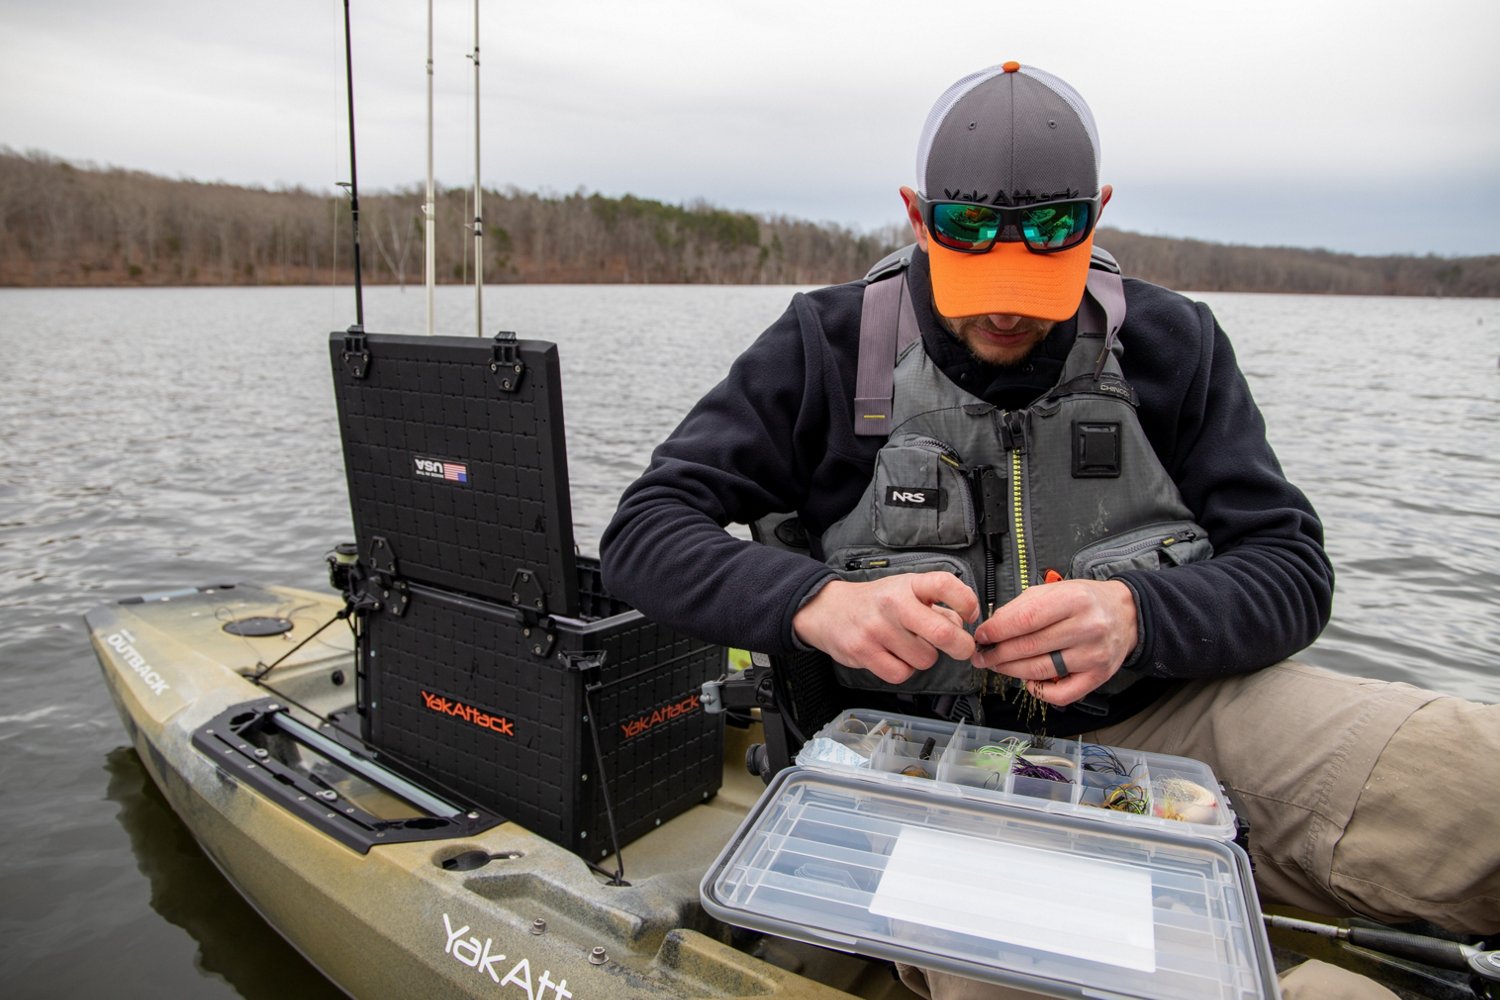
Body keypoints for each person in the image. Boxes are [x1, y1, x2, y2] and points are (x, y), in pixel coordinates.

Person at [600, 62, 1498, 999]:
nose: (1006, 309)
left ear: (1095, 217)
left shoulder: (1175, 344)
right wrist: (817, 602)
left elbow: (1293, 571)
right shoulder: (821, 346)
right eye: (978, 275)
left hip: (1161, 725)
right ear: (918, 217)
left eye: (1039, 281)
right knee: (1026, 975)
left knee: (1473, 783)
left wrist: (1139, 616)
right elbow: (644, 532)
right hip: (920, 773)